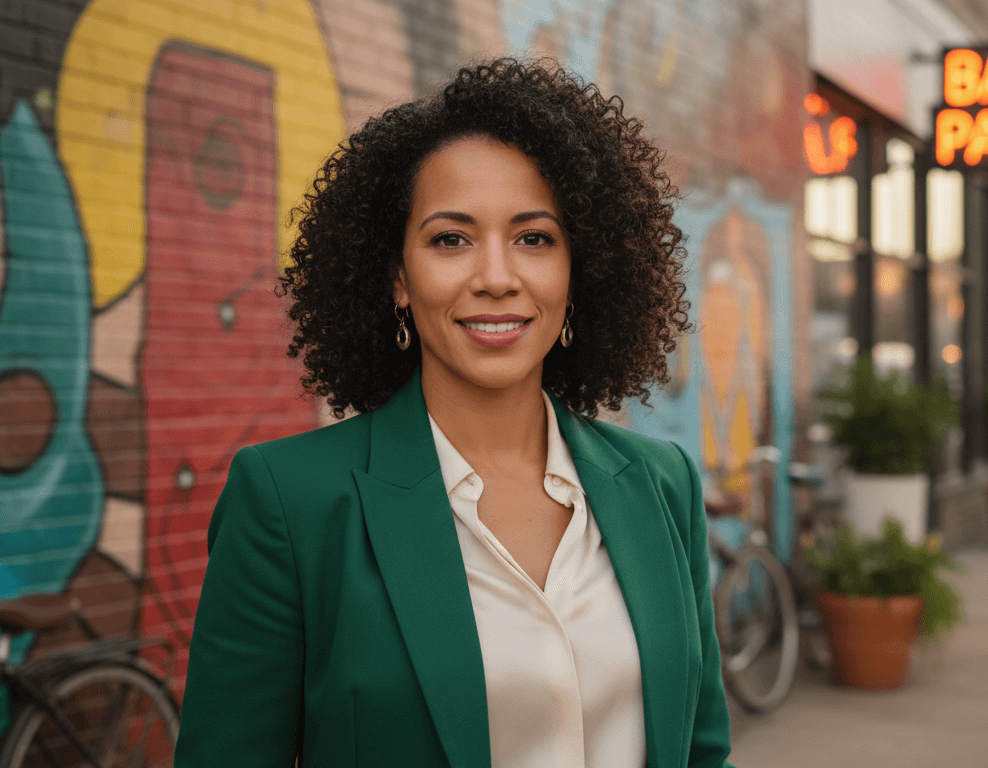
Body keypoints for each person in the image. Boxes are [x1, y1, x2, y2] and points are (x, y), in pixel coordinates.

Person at [174, 59, 734, 768]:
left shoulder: (663, 485)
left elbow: (704, 752)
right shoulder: (290, 503)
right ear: (398, 279)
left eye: (534, 238)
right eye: (451, 239)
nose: (497, 277)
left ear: (577, 271)